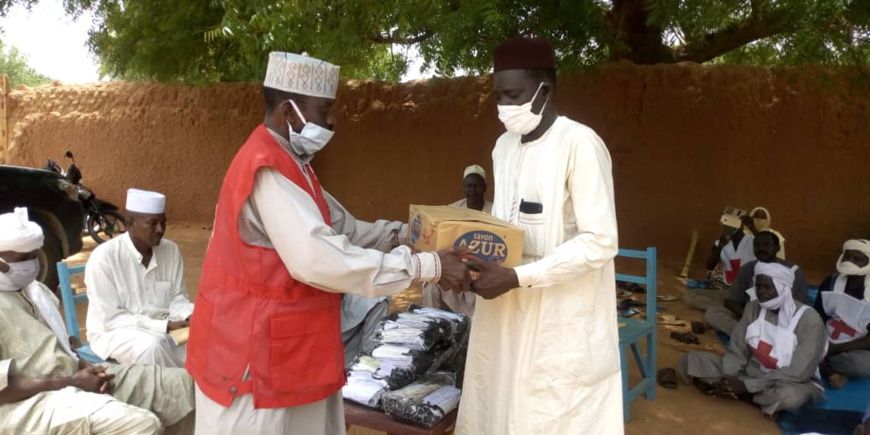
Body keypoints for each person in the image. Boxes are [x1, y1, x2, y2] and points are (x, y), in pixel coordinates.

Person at [186, 52, 470, 435]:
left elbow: (344, 228)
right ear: (290, 112)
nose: (333, 121)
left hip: (290, 349)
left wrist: (404, 235)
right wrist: (424, 266)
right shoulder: (265, 168)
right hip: (252, 356)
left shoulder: (294, 165)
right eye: (325, 110)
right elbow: (319, 259)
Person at [454, 37, 622, 435]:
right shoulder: (503, 147)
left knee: (547, 412)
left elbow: (600, 241)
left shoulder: (579, 144)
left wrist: (518, 277)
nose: (504, 107)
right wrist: (478, 260)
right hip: (503, 307)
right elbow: (504, 225)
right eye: (498, 95)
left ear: (544, 90)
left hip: (558, 316)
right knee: (496, 400)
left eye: (513, 95)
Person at [0, 207, 195, 433]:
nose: (33, 263)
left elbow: (62, 347)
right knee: (142, 425)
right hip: (27, 403)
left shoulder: (37, 291)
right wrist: (71, 382)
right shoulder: (105, 256)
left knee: (185, 386)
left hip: (73, 376)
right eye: (23, 258)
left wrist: (88, 371)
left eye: (35, 254)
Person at [672, 262, 827, 416]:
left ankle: (744, 395)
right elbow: (738, 349)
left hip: (788, 380)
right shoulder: (753, 307)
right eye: (758, 286)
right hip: (749, 371)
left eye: (767, 287)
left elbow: (798, 372)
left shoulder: (809, 320)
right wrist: (729, 377)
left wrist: (747, 386)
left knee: (789, 396)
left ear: (783, 288)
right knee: (693, 359)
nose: (761, 292)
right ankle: (748, 397)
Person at [85, 188, 193, 368]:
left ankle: (189, 392)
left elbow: (177, 297)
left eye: (163, 223)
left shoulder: (171, 250)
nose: (160, 229)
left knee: (205, 340)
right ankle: (164, 394)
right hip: (114, 332)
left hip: (164, 328)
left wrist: (190, 315)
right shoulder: (104, 257)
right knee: (151, 349)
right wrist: (164, 326)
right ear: (129, 223)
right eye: (152, 223)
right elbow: (111, 319)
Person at [704, 231, 809, 334]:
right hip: (751, 318)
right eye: (757, 245)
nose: (761, 249)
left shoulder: (793, 272)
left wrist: (770, 321)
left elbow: (799, 310)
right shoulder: (748, 268)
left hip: (779, 323)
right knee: (712, 314)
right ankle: (752, 336)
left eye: (766, 244)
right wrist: (752, 317)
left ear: (777, 247)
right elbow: (730, 301)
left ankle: (754, 337)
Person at [421, 164, 492, 317]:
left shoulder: (495, 212)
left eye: (476, 185)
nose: (472, 190)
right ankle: (430, 327)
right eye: (469, 186)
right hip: (457, 270)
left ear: (484, 187)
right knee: (432, 286)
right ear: (464, 188)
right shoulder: (452, 211)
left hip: (483, 271)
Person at [814, 239, 870, 389]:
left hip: (855, 347)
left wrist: (835, 348)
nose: (849, 262)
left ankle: (820, 364)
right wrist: (821, 342)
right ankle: (827, 368)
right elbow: (816, 316)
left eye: (857, 259)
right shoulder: (831, 282)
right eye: (847, 256)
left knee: (863, 366)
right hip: (826, 339)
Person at [689, 212, 757, 311]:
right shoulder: (720, 243)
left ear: (741, 225)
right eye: (725, 224)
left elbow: (767, 246)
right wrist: (720, 248)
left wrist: (753, 229)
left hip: (748, 290)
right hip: (729, 291)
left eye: (731, 224)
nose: (727, 228)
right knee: (690, 296)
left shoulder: (752, 241)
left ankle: (731, 308)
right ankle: (730, 308)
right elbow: (710, 266)